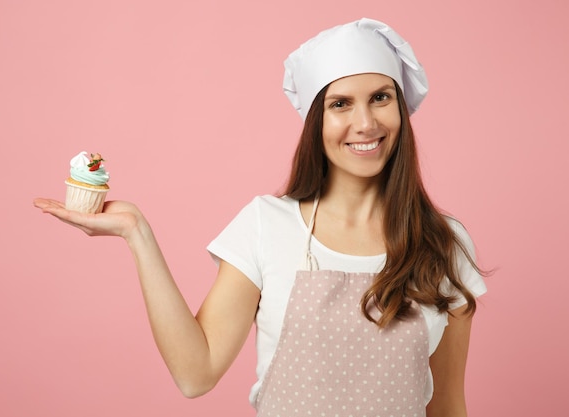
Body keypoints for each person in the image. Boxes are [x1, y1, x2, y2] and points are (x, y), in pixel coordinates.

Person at [34, 18, 487, 417]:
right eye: (340, 104)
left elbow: (446, 408)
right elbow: (196, 374)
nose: (365, 122)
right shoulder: (266, 225)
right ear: (316, 122)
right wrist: (137, 234)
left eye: (380, 97)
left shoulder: (444, 243)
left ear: (401, 109)